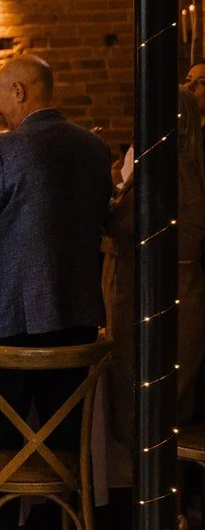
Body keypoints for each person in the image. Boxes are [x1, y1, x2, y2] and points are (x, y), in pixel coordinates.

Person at [0, 55, 111, 530]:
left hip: (10, 325)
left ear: (19, 92)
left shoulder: (6, 150)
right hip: (78, 321)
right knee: (64, 454)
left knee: (1, 452)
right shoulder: (95, 149)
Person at [103, 87, 205, 475]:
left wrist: (113, 191)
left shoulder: (161, 168)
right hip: (189, 292)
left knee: (144, 409)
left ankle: (153, 507)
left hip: (152, 296)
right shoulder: (193, 163)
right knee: (173, 407)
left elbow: (122, 224)